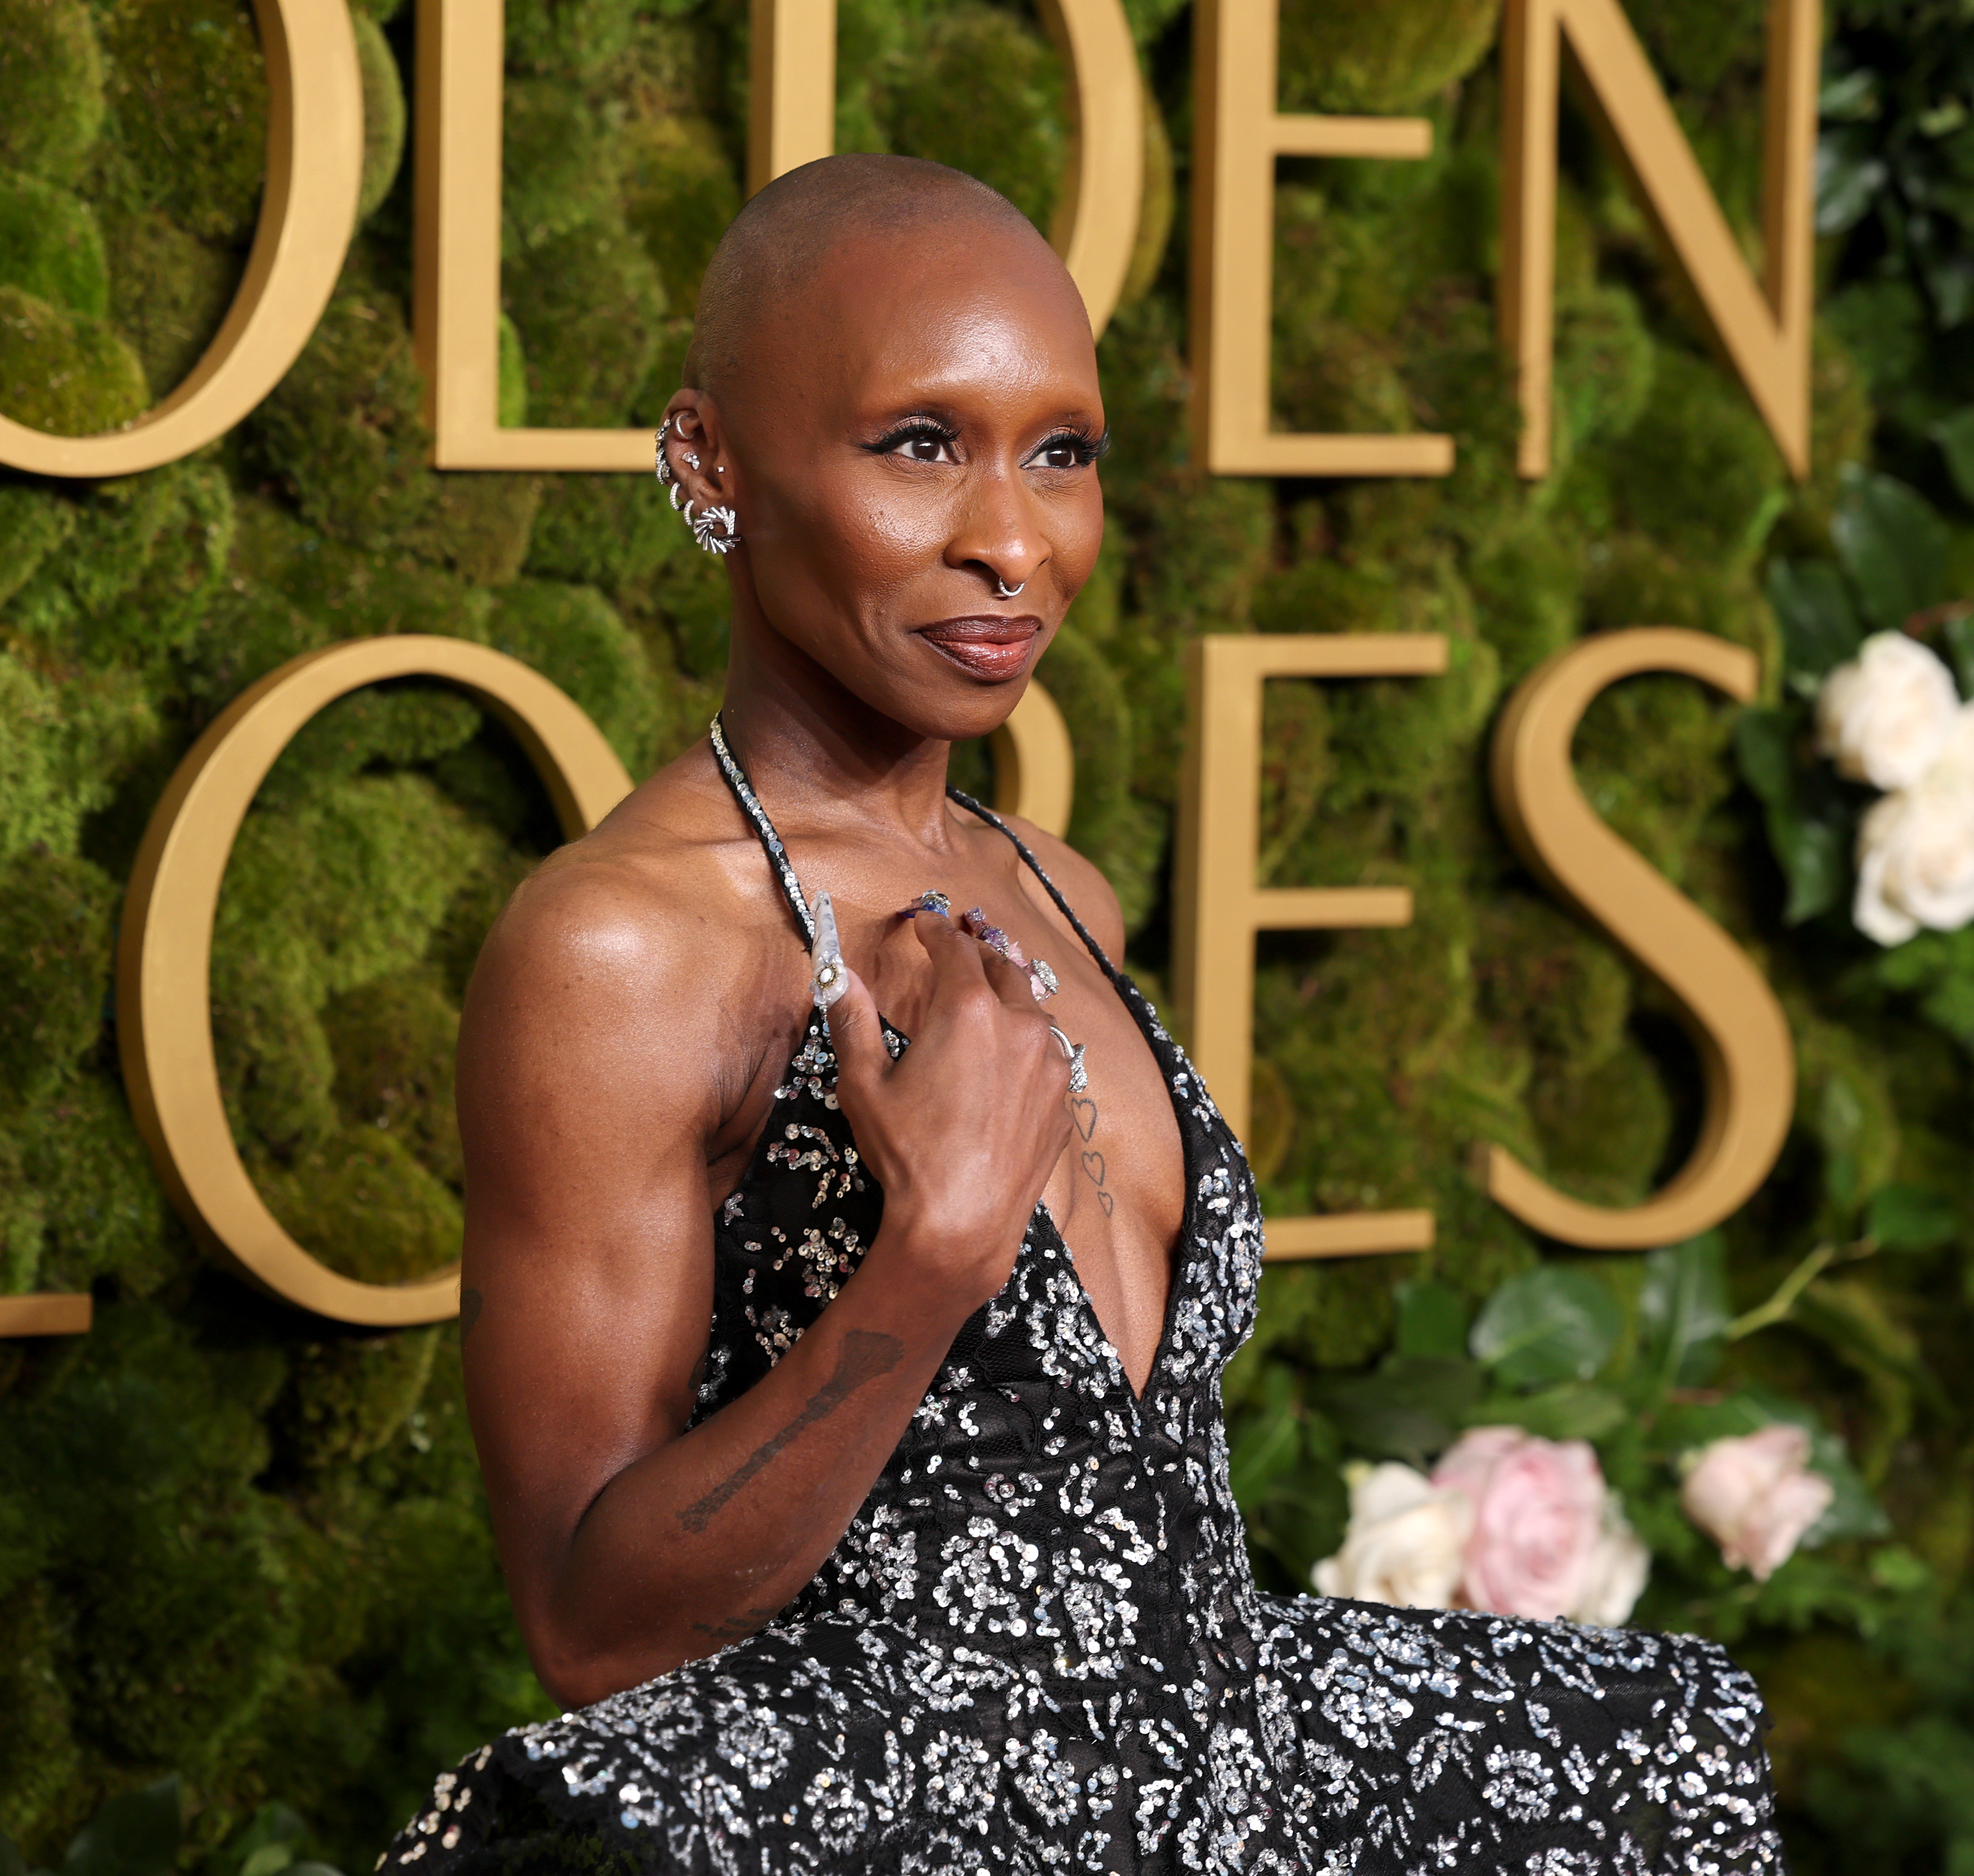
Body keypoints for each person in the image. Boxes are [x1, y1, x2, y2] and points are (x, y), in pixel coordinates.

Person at [389, 153, 1783, 1876]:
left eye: (1063, 453)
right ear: (711, 463)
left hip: (1202, 1769)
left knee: (1647, 1748)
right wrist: (927, 1268)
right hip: (896, 1821)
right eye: (921, 445)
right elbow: (593, 1633)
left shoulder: (1054, 889)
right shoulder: (627, 948)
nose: (1012, 539)